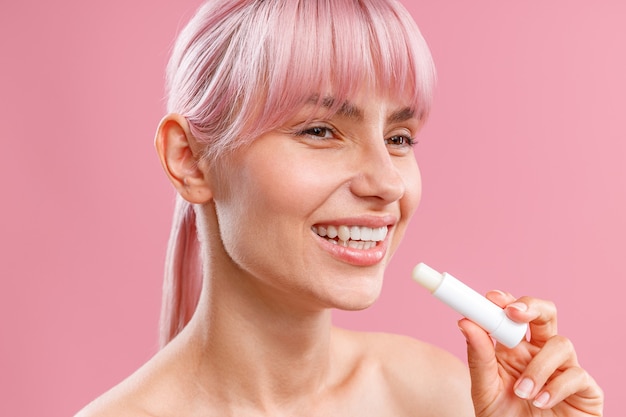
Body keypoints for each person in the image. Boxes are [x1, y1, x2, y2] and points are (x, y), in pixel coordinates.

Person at [76, 0, 604, 415]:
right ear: (189, 160)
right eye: (320, 130)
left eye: (399, 137)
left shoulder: (444, 397)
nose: (387, 183)